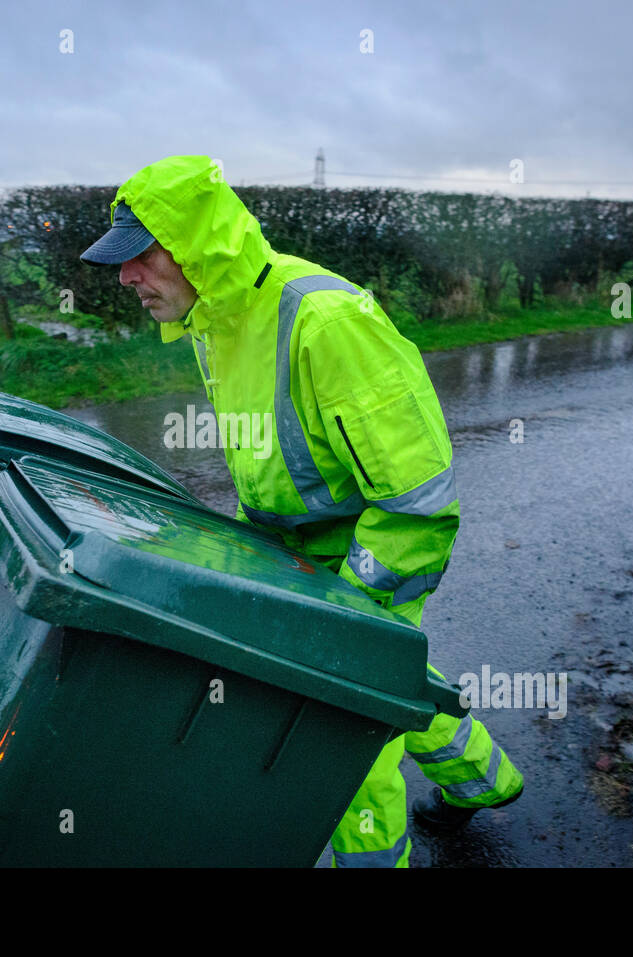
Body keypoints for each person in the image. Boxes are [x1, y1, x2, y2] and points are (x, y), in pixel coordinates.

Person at [80, 154, 524, 867]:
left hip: (370, 552)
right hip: (298, 552)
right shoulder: (216, 319)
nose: (125, 277)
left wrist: (354, 608)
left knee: (340, 729)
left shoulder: (323, 320)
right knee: (394, 685)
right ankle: (484, 778)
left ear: (195, 247)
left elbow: (418, 497)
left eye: (140, 255)